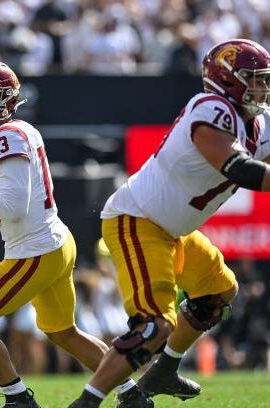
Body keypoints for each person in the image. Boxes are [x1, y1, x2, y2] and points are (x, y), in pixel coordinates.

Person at [69, 38, 270, 407]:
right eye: (254, 79)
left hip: (172, 229)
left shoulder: (259, 121)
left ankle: (164, 371)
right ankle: (86, 402)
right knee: (152, 327)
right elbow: (240, 169)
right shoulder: (210, 108)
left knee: (217, 292)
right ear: (227, 79)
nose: (262, 87)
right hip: (138, 219)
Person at [0, 60, 151, 408]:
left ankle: (18, 399)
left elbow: (13, 207)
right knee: (62, 330)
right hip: (52, 241)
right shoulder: (18, 130)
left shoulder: (5, 136)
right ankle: (131, 395)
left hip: (34, 250)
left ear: (9, 100)